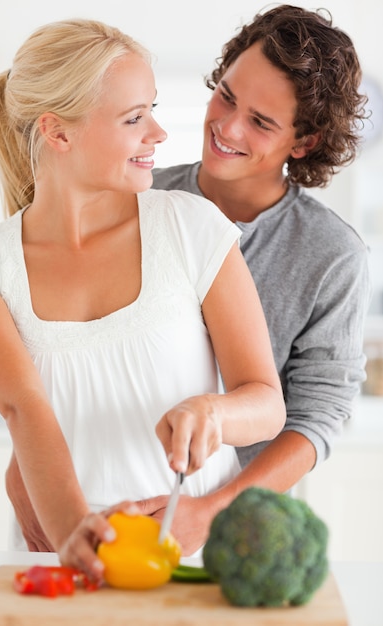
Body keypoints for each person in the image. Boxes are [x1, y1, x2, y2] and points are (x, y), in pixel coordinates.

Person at [0, 19, 285, 579]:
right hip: (64, 563)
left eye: (153, 110)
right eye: (135, 118)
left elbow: (266, 403)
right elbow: (24, 410)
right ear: (57, 132)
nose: (158, 134)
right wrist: (74, 537)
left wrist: (213, 410)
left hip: (199, 561)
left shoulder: (190, 227)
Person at [145, 2, 371, 542]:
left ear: (304, 142)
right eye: (226, 94)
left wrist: (214, 511)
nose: (226, 126)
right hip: (103, 487)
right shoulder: (139, 200)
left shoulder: (333, 254)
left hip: (233, 519)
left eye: (261, 122)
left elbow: (317, 415)